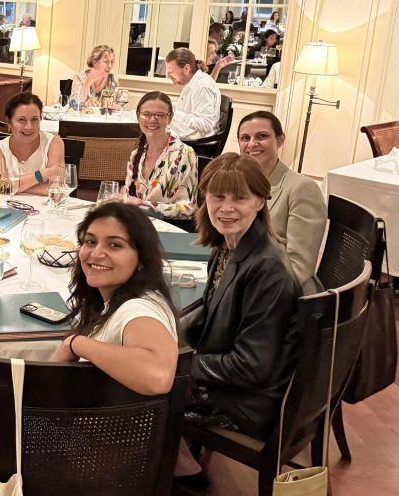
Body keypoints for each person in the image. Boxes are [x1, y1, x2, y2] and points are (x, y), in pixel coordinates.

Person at [0, 202, 180, 496]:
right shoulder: (132, 299)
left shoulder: (138, 310)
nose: (96, 253)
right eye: (90, 241)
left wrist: (78, 343)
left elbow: (157, 375)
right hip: (108, 445)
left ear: (141, 258)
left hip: (89, 459)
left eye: (115, 245)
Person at [175, 153, 301, 487]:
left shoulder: (268, 269)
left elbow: (251, 367)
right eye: (217, 196)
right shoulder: (229, 247)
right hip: (237, 385)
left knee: (140, 384)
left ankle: (184, 470)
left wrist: (179, 365)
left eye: (240, 198)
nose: (226, 208)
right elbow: (211, 313)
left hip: (248, 402)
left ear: (260, 201)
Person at [237, 111, 325, 293]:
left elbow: (299, 268)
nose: (252, 144)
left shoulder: (302, 188)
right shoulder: (239, 183)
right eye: (245, 138)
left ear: (280, 139)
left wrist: (249, 291)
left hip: (284, 293)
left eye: (262, 136)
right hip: (246, 278)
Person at [122, 91, 198, 223]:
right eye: (146, 114)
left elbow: (188, 208)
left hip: (168, 227)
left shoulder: (185, 154)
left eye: (160, 115)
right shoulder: (136, 154)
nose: (152, 120)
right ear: (138, 116)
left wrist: (145, 206)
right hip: (138, 224)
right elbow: (129, 196)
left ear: (170, 117)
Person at [0, 92, 64, 195]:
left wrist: (13, 186)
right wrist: (41, 174)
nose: (29, 127)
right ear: (9, 122)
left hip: (44, 205)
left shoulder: (54, 143)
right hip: (7, 205)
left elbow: (56, 188)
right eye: (22, 120)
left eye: (34, 119)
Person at [165, 48, 221, 140]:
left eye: (170, 72)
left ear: (186, 69)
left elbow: (206, 125)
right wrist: (166, 107)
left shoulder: (202, 86)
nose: (167, 76)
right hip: (187, 133)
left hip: (196, 141)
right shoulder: (194, 82)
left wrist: (173, 113)